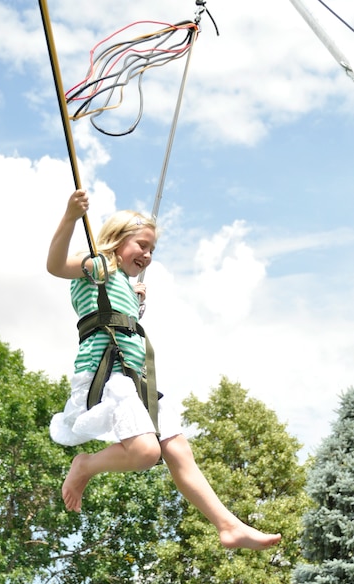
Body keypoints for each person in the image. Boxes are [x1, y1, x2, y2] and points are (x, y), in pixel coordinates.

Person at [47, 188, 282, 551]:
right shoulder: (96, 265)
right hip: (104, 375)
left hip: (134, 377)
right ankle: (85, 464)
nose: (147, 254)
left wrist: (134, 296)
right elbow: (55, 266)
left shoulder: (123, 280)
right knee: (144, 453)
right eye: (141, 245)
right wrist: (69, 218)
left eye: (152, 250)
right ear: (116, 240)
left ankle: (227, 525)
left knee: (177, 448)